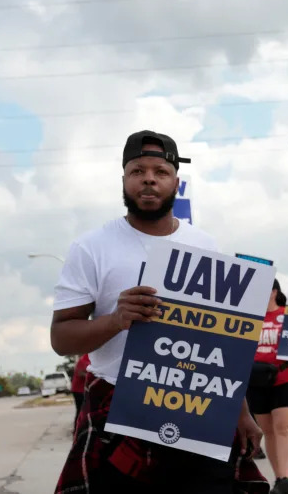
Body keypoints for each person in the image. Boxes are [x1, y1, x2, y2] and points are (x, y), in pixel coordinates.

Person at [49, 130, 265, 493]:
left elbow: (223, 343)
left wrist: (241, 412)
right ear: (124, 179)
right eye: (137, 171)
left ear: (176, 183)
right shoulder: (91, 247)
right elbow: (61, 337)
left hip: (198, 406)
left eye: (160, 172)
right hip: (120, 410)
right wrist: (116, 320)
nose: (148, 178)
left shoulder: (204, 244)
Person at [247, 279, 288, 494]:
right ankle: (279, 477)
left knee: (283, 428)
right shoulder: (250, 317)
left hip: (286, 377)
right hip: (257, 380)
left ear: (274, 292)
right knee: (268, 431)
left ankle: (286, 478)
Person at [70, 353, 90, 432]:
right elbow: (80, 373)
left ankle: (80, 428)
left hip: (82, 390)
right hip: (78, 390)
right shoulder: (83, 359)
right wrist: (91, 374)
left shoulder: (87, 358)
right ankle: (77, 430)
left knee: (83, 410)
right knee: (80, 410)